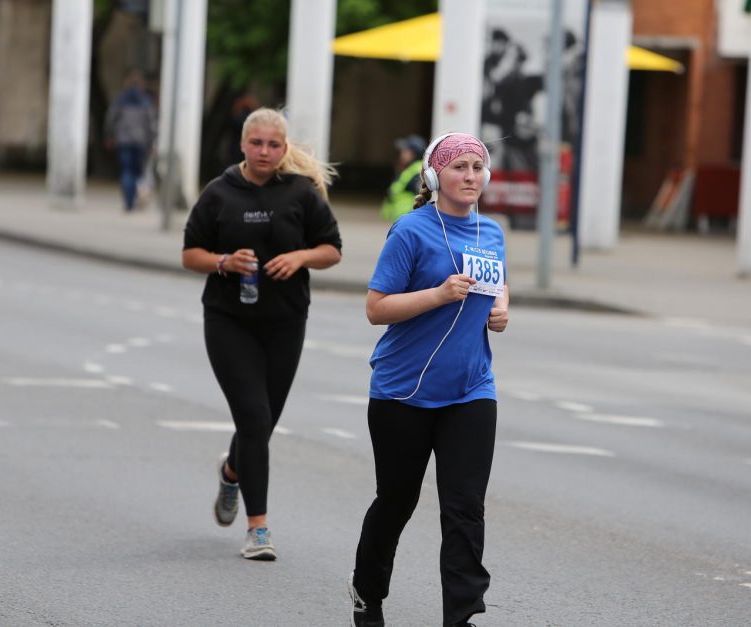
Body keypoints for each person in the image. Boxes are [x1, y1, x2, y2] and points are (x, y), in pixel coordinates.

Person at [348, 133, 510, 627]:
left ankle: (461, 617)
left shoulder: (492, 231)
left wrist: (500, 309)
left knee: (465, 508)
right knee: (397, 500)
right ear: (436, 176)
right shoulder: (411, 231)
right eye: (459, 167)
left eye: (477, 167)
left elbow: (497, 282)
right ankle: (367, 592)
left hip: (471, 390)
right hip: (404, 391)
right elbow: (377, 309)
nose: (470, 176)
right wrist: (438, 294)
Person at [181, 107, 342, 560]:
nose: (266, 151)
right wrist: (222, 262)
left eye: (274, 144)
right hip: (229, 320)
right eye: (257, 143)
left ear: (285, 148)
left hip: (286, 321)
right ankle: (259, 529)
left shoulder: (301, 193)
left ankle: (232, 472)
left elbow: (333, 249)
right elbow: (190, 252)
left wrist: (301, 258)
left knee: (263, 422)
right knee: (253, 417)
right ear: (243, 145)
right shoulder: (219, 192)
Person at [104, 69, 157, 211]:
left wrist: (109, 136)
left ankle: (129, 202)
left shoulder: (121, 100)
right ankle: (136, 199)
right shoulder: (146, 101)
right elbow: (151, 124)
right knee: (139, 172)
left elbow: (111, 119)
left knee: (127, 171)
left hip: (123, 141)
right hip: (141, 142)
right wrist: (152, 142)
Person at [380, 134, 426, 222]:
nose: (401, 153)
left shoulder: (418, 173)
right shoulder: (409, 169)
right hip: (404, 220)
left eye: (405, 150)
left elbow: (424, 199)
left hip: (411, 220)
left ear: (413, 153)